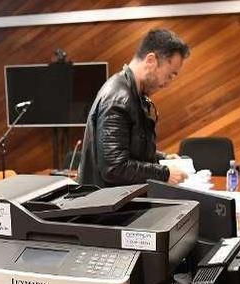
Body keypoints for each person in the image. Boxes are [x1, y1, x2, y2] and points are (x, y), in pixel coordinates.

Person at [78, 28, 190, 187]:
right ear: (151, 60)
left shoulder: (133, 93)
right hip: (108, 208)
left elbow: (130, 150)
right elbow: (115, 167)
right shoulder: (118, 98)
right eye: (170, 74)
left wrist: (161, 159)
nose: (168, 83)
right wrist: (164, 173)